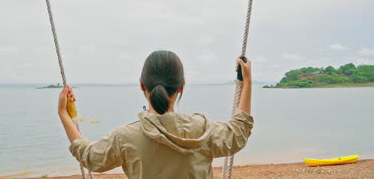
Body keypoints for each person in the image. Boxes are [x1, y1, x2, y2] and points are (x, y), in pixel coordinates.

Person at [58, 50, 253, 179]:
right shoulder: (202, 129)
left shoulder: (125, 137)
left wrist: (64, 114)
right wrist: (246, 82)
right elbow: (239, 131)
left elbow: (90, 157)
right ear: (181, 86)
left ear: (142, 85)